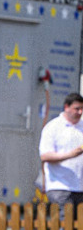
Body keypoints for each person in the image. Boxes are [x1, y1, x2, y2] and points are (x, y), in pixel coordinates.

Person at [38, 91, 83, 219]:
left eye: (82, 109)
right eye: (76, 109)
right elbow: (45, 156)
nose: (80, 112)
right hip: (60, 186)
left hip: (79, 186)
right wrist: (70, 154)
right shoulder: (53, 127)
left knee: (79, 229)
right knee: (64, 227)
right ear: (66, 107)